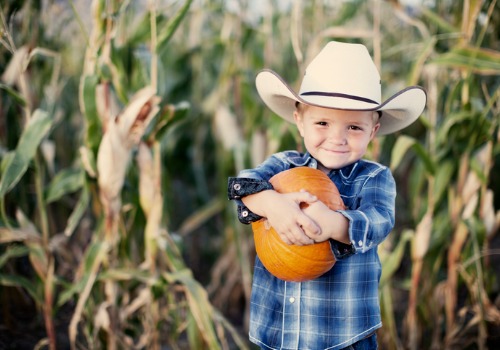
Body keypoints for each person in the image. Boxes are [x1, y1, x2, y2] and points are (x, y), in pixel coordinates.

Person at [227, 41, 426, 350]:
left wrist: (332, 223)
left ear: (373, 131)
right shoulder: (283, 165)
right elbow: (243, 185)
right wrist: (273, 205)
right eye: (322, 123)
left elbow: (378, 222)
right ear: (299, 120)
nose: (337, 139)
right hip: (277, 328)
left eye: (354, 128)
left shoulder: (373, 177)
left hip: (342, 336)